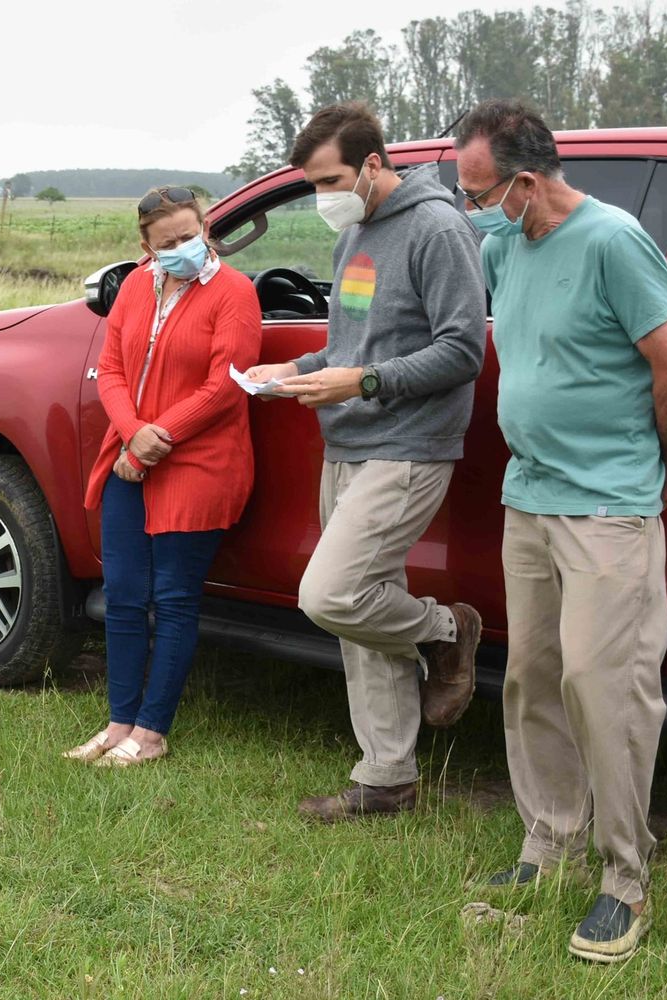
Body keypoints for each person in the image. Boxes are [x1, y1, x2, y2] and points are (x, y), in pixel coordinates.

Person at [455, 99, 667, 964]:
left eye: (481, 192)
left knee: (607, 687)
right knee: (532, 678)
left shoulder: (612, 241)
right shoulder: (500, 246)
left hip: (606, 505)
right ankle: (546, 845)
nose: (474, 207)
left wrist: (656, 470)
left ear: (526, 181)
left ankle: (624, 879)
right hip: (531, 499)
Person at [243, 102, 487, 820]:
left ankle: (450, 632)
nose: (323, 197)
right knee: (363, 613)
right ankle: (386, 779)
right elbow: (356, 347)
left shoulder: (439, 228)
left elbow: (462, 348)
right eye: (313, 183)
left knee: (333, 595)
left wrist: (364, 382)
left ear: (374, 164)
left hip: (408, 445)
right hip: (346, 442)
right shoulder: (356, 232)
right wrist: (292, 370)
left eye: (331, 179)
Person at [63, 186, 261, 767]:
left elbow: (226, 385)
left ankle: (152, 732)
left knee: (173, 597)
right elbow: (113, 369)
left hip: (198, 460)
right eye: (167, 242)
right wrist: (131, 433)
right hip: (131, 451)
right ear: (144, 245)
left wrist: (155, 439)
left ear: (205, 227)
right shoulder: (133, 286)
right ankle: (120, 720)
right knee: (123, 595)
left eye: (189, 235)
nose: (182, 248)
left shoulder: (235, 292)